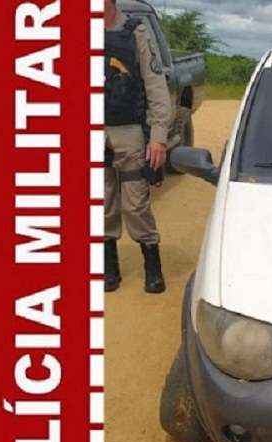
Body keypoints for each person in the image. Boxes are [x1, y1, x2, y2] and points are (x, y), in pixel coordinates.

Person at [103, 0, 173, 294]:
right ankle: (109, 268)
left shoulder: (135, 32)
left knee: (136, 204)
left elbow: (155, 85)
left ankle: (152, 265)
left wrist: (158, 135)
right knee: (101, 203)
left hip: (130, 131)